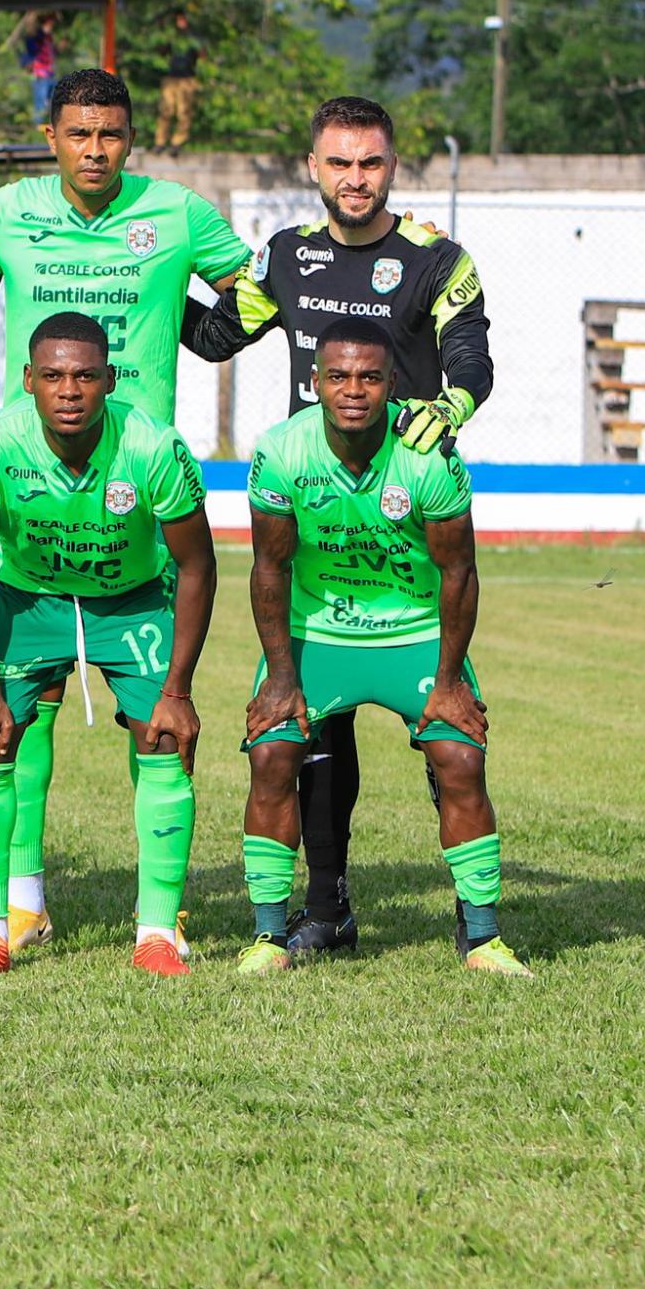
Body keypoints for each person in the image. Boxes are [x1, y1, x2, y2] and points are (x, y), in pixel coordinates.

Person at [0, 66, 250, 948]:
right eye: (79, 132)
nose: (95, 149)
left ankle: (162, 913)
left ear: (130, 137)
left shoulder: (179, 213)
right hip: (33, 480)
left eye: (111, 133)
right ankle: (24, 897)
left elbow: (253, 298)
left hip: (134, 477)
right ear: (52, 136)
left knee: (154, 719)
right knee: (13, 721)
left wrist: (187, 324)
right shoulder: (10, 212)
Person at [183, 94, 493, 959]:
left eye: (371, 163)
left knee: (443, 723)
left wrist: (455, 403)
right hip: (311, 508)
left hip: (402, 513)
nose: (355, 179)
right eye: (338, 163)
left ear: (392, 167)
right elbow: (212, 336)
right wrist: (151, 273)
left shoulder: (437, 258)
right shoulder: (288, 258)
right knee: (316, 727)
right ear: (312, 167)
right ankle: (327, 909)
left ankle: (475, 913)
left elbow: (470, 351)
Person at [238, 317, 529, 977]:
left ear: (393, 383)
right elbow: (269, 569)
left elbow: (459, 572)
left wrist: (450, 682)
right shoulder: (281, 451)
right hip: (320, 630)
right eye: (337, 375)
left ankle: (482, 937)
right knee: (273, 751)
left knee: (458, 755)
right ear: (314, 383)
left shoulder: (428, 453)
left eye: (370, 376)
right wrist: (281, 676)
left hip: (413, 631)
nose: (353, 390)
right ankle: (267, 937)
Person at [0, 314, 215, 975]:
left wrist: (177, 690)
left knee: (162, 737)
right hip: (30, 597)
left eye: (87, 376)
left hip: (130, 600)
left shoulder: (154, 447)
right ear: (30, 380)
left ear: (109, 381)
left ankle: (156, 931)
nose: (71, 390)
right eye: (56, 376)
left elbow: (198, 565)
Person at [152, 10, 206, 152]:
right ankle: (160, 141)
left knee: (184, 112)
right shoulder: (172, 37)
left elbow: (203, 54)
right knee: (166, 110)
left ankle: (177, 142)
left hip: (187, 79)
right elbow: (162, 51)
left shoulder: (194, 38)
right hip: (171, 77)